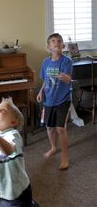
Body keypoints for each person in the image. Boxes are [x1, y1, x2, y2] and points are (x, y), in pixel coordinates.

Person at [36, 33, 72, 170]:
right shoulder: (45, 62)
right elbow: (45, 80)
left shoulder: (66, 61)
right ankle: (53, 147)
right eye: (53, 41)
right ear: (48, 47)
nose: (56, 42)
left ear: (62, 45)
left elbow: (69, 79)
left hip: (63, 100)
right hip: (48, 100)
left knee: (60, 128)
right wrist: (40, 92)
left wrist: (64, 77)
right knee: (49, 127)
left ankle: (64, 156)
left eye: (59, 41)